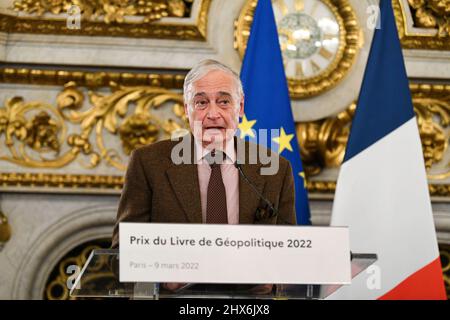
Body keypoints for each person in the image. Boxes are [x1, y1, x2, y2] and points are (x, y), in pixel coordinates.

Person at [111, 59, 296, 293]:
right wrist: (160, 279)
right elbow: (121, 253)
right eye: (201, 102)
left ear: (239, 108)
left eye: (224, 101)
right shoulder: (149, 163)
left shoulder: (276, 169)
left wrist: (274, 281)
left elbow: (291, 253)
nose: (213, 114)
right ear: (186, 109)